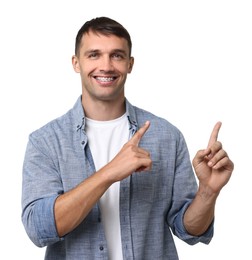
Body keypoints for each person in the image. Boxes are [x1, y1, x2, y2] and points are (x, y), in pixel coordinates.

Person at [21, 16, 234, 260]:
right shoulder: (45, 141)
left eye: (117, 55)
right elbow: (39, 229)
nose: (106, 66)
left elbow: (188, 230)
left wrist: (208, 191)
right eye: (94, 55)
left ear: (130, 64)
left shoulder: (167, 137)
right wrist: (110, 172)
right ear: (76, 63)